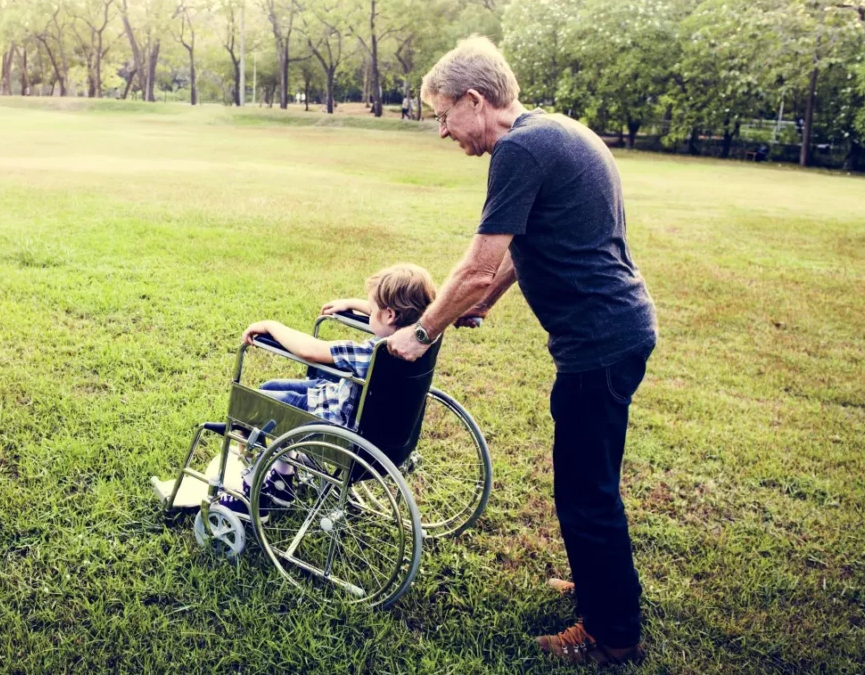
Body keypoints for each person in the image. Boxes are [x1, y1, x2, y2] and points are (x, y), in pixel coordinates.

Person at [387, 36, 658, 666]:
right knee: (591, 481)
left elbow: (478, 265)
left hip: (598, 342)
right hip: (619, 332)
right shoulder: (558, 132)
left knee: (585, 492)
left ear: (474, 100)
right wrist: (487, 301)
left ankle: (611, 634)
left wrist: (421, 332)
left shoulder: (518, 150)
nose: (442, 131)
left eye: (443, 115)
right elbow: (519, 249)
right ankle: (597, 584)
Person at [213, 263, 437, 520]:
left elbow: (310, 351)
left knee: (255, 408)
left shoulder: (375, 353)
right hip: (370, 423)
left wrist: (271, 325)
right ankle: (282, 478)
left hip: (336, 424)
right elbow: (386, 314)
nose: (368, 310)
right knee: (268, 389)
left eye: (371, 307)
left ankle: (253, 492)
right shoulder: (422, 341)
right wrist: (351, 304)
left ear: (389, 316)